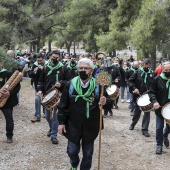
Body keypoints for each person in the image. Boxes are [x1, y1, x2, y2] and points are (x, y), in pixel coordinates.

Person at [58, 58, 108, 170]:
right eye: (81, 68)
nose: (83, 70)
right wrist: (61, 122)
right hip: (73, 124)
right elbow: (63, 105)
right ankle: (74, 164)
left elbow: (108, 100)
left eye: (86, 68)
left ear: (92, 70)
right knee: (72, 150)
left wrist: (105, 101)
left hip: (91, 125)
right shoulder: (70, 85)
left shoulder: (98, 85)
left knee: (88, 154)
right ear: (77, 69)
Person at [37, 50, 66, 144]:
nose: (55, 59)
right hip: (47, 95)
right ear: (49, 57)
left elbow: (68, 81)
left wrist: (61, 84)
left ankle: (54, 135)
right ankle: (51, 128)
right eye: (53, 57)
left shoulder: (63, 68)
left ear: (60, 58)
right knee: (47, 115)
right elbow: (40, 82)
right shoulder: (45, 68)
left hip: (59, 95)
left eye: (57, 57)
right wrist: (40, 90)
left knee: (55, 117)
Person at [128, 58, 156, 137]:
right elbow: (130, 81)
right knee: (137, 112)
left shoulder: (153, 74)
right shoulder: (137, 73)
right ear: (142, 65)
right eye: (145, 66)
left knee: (147, 113)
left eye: (148, 66)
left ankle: (145, 129)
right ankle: (133, 124)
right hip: (138, 96)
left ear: (150, 65)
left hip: (148, 96)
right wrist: (134, 88)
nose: (146, 68)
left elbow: (156, 84)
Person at [148, 61, 170, 154]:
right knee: (159, 127)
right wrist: (155, 101)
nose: (168, 71)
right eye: (166, 70)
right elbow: (151, 92)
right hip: (160, 108)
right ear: (162, 70)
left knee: (169, 127)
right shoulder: (157, 79)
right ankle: (159, 145)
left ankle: (165, 136)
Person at [0, 58, 20, 143]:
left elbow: (17, 87)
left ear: (0, 64)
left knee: (9, 119)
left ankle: (9, 136)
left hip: (6, 101)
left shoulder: (8, 74)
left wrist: (9, 93)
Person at [29, 53, 48, 122]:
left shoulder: (48, 65)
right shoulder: (35, 65)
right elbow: (30, 75)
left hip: (46, 86)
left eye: (40, 60)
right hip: (38, 86)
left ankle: (46, 113)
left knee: (46, 100)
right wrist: (34, 71)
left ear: (44, 59)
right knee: (37, 99)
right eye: (38, 60)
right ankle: (37, 116)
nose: (39, 62)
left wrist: (44, 69)